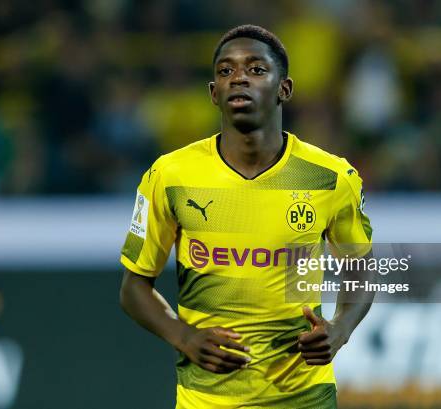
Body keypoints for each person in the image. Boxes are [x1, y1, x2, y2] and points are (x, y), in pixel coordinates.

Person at [119, 24, 374, 409]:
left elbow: (362, 267)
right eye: (225, 71)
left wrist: (340, 328)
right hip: (205, 399)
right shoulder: (169, 176)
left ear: (284, 89)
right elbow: (133, 287)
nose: (238, 77)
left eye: (256, 69)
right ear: (213, 93)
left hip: (304, 397)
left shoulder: (331, 177)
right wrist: (185, 337)